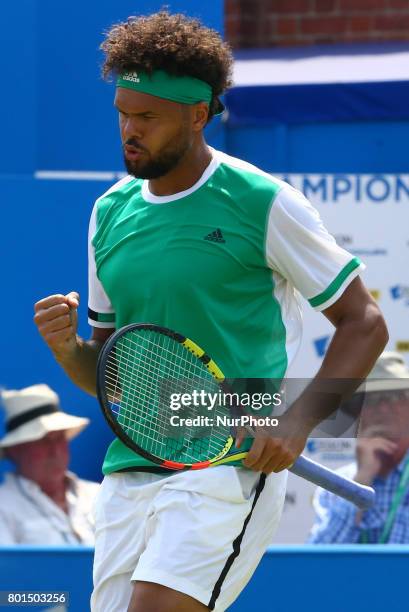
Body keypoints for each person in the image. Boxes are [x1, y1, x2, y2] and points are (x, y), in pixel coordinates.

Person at [33, 10, 388, 612]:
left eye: (147, 117)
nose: (128, 130)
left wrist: (297, 422)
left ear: (198, 115)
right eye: (123, 112)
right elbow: (114, 381)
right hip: (130, 472)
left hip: (226, 466)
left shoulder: (264, 202)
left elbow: (365, 323)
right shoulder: (109, 212)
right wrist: (68, 349)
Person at [308, 352, 409, 544]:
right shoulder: (337, 485)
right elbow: (319, 562)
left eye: (394, 397)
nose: (384, 409)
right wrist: (362, 479)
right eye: (371, 400)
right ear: (356, 413)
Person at [0, 384, 99, 545]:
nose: (55, 450)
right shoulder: (3, 506)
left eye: (60, 438)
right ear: (15, 450)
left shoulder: (99, 495)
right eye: (43, 440)